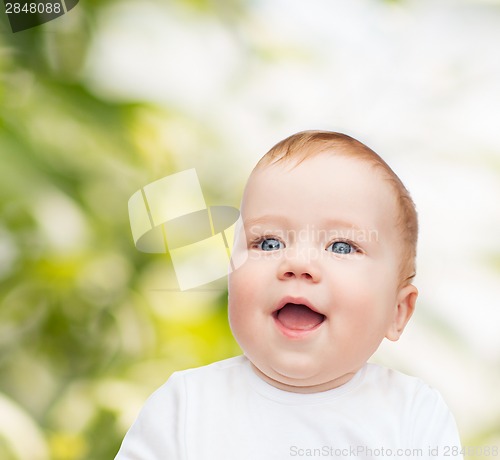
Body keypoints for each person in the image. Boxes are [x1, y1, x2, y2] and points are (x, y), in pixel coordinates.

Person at [115, 131, 463, 459]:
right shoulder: (186, 405)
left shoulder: (413, 413)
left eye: (341, 246)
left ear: (397, 311)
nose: (297, 262)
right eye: (269, 243)